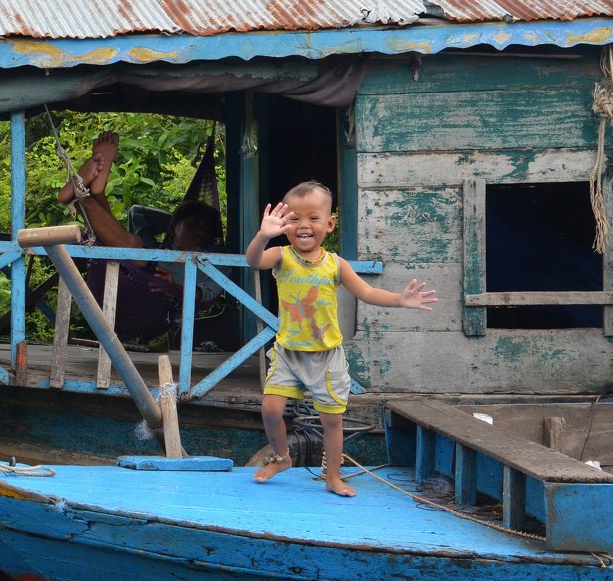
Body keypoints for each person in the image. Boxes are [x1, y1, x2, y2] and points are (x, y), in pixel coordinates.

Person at [244, 180, 437, 497]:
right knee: (270, 410)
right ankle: (282, 458)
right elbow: (253, 260)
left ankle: (332, 475)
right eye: (294, 218)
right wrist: (263, 235)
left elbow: (368, 292)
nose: (304, 225)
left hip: (326, 357)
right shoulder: (281, 256)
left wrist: (401, 300)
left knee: (332, 422)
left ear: (329, 224)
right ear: (284, 224)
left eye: (313, 218)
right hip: (289, 353)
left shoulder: (335, 264)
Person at [57, 131, 225, 314]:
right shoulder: (164, 248)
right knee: (127, 243)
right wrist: (173, 224)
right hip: (138, 273)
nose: (200, 232)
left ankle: (82, 194)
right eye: (193, 226)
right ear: (172, 228)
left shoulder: (217, 263)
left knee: (132, 245)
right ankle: (94, 194)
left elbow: (205, 294)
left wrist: (174, 286)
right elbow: (138, 214)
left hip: (162, 297)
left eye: (205, 229)